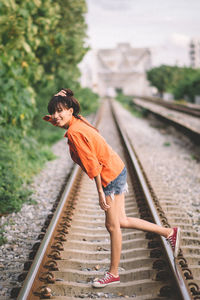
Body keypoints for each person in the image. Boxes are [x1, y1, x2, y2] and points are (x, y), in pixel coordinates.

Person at [43, 88, 181, 288]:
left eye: (60, 111)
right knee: (121, 220)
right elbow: (63, 118)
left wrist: (100, 192)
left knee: (112, 225)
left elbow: (92, 165)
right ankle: (169, 233)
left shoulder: (74, 133)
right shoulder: (78, 121)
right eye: (53, 113)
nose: (55, 117)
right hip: (117, 168)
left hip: (110, 176)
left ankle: (113, 273)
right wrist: (58, 105)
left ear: (71, 111)